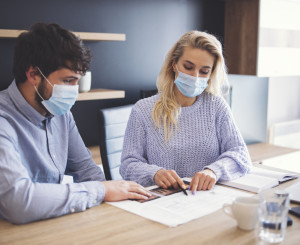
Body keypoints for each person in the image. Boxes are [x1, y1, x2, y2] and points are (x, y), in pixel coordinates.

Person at [0, 23, 151, 225]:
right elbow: (18, 202)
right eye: (68, 81)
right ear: (33, 75)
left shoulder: (61, 113)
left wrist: (113, 193)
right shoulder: (3, 119)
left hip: (50, 224)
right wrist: (101, 190)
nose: (75, 90)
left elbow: (87, 172)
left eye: (77, 82)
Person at [120, 30, 251, 193]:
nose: (195, 77)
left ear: (211, 74)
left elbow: (240, 155)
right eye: (188, 67)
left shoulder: (217, 106)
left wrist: (214, 171)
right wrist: (154, 173)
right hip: (162, 202)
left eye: (204, 71)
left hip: (208, 198)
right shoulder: (143, 110)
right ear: (174, 65)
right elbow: (128, 165)